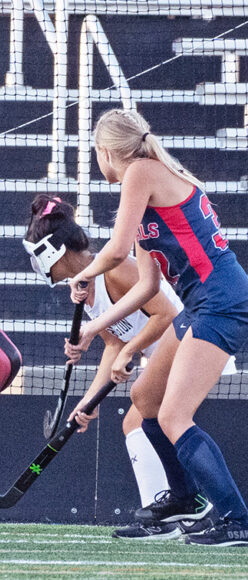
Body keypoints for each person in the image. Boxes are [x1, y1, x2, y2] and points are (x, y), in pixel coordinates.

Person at [66, 108, 248, 547]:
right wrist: (94, 329)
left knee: (172, 415)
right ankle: (185, 501)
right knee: (145, 398)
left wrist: (86, 272)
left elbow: (117, 247)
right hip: (202, 303)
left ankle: (238, 520)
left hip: (222, 302)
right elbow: (148, 285)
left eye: (97, 155)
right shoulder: (148, 192)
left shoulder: (141, 172)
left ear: (106, 152)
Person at [23, 193, 230, 540]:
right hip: (170, 355)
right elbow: (113, 344)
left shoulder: (114, 269)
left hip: (195, 345)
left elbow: (167, 314)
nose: (39, 269)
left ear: (55, 251)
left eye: (38, 257)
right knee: (137, 419)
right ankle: (173, 511)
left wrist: (132, 351)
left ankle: (178, 513)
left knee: (139, 415)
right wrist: (87, 403)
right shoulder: (85, 289)